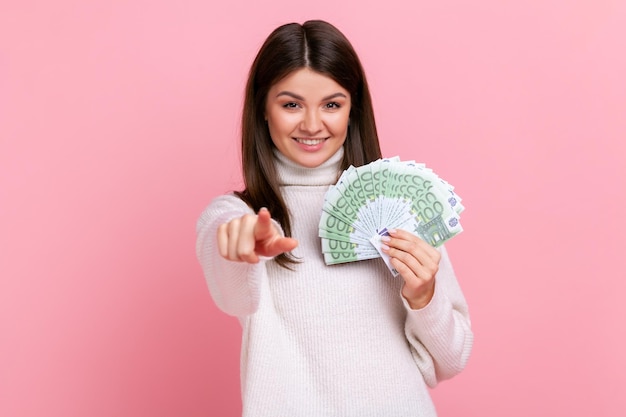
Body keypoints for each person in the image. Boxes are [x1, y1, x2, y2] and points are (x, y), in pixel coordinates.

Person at [196, 20, 473, 417]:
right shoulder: (237, 215)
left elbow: (452, 359)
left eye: (332, 104)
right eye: (291, 104)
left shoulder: (398, 206)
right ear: (263, 109)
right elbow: (232, 287)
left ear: (353, 109)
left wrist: (423, 295)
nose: (312, 124)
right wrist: (240, 247)